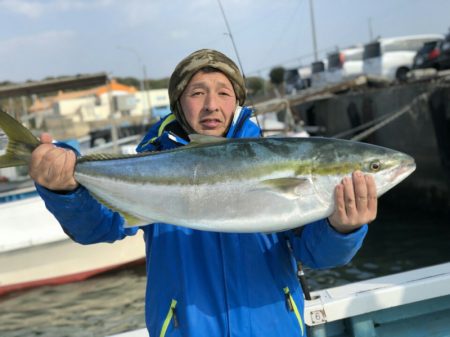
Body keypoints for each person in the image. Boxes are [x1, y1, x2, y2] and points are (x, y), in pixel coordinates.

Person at [29, 49, 377, 337]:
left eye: (224, 92)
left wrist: (342, 229)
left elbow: (318, 256)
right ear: (179, 104)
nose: (212, 104)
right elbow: (97, 228)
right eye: (197, 92)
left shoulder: (278, 157)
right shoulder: (154, 160)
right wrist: (66, 190)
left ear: (236, 103)